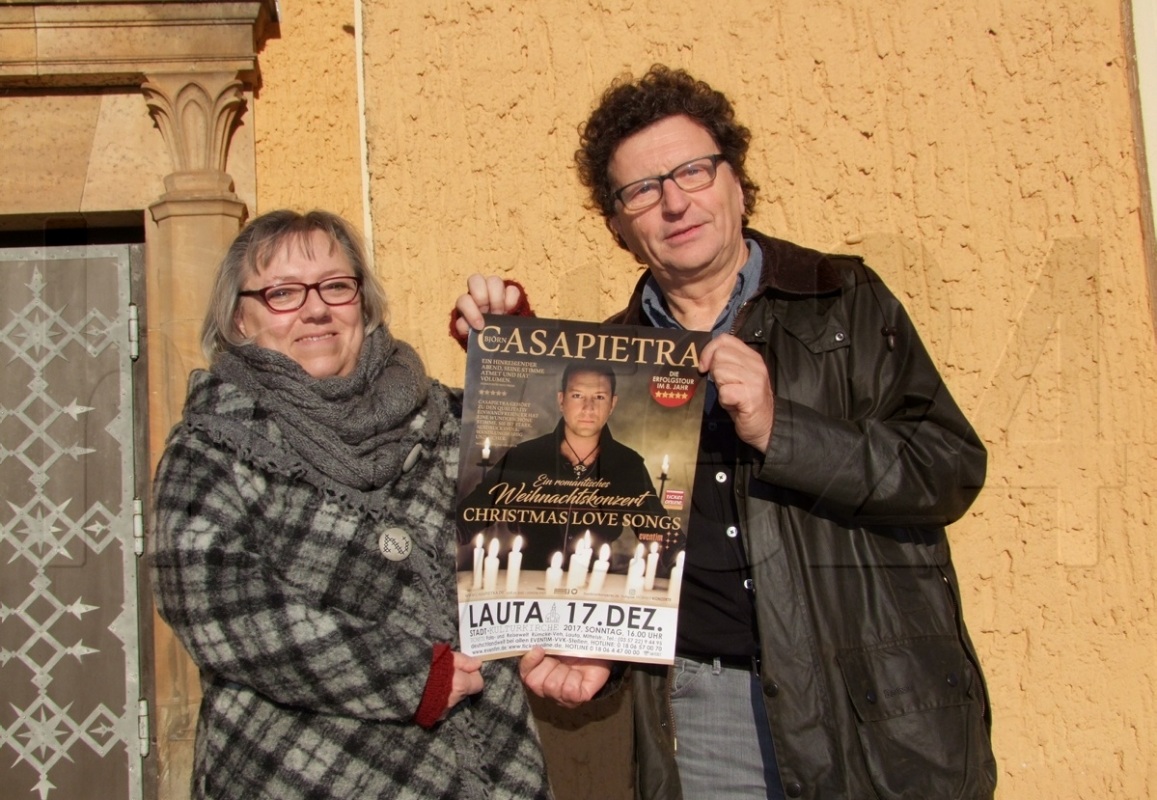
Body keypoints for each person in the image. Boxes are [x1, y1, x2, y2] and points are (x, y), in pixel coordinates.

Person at [453, 66, 996, 800]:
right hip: (704, 717)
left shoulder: (843, 300)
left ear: (736, 182)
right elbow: (594, 538)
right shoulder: (613, 358)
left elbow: (947, 469)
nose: (674, 201)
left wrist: (781, 428)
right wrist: (515, 360)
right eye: (641, 190)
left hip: (870, 701)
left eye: (692, 171)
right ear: (617, 222)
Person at [151, 209, 551, 800]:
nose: (316, 309)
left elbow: (561, 488)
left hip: (482, 763)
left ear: (362, 302)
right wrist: (412, 677)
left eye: (336, 286)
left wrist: (514, 361)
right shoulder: (212, 443)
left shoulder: (442, 418)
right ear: (240, 316)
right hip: (292, 770)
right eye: (283, 292)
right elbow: (212, 599)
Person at [457, 361, 678, 573]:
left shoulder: (628, 464)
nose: (588, 407)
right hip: (525, 579)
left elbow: (658, 528)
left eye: (599, 397)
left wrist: (684, 561)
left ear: (612, 403)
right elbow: (471, 514)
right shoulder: (523, 456)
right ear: (562, 400)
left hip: (594, 584)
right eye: (577, 395)